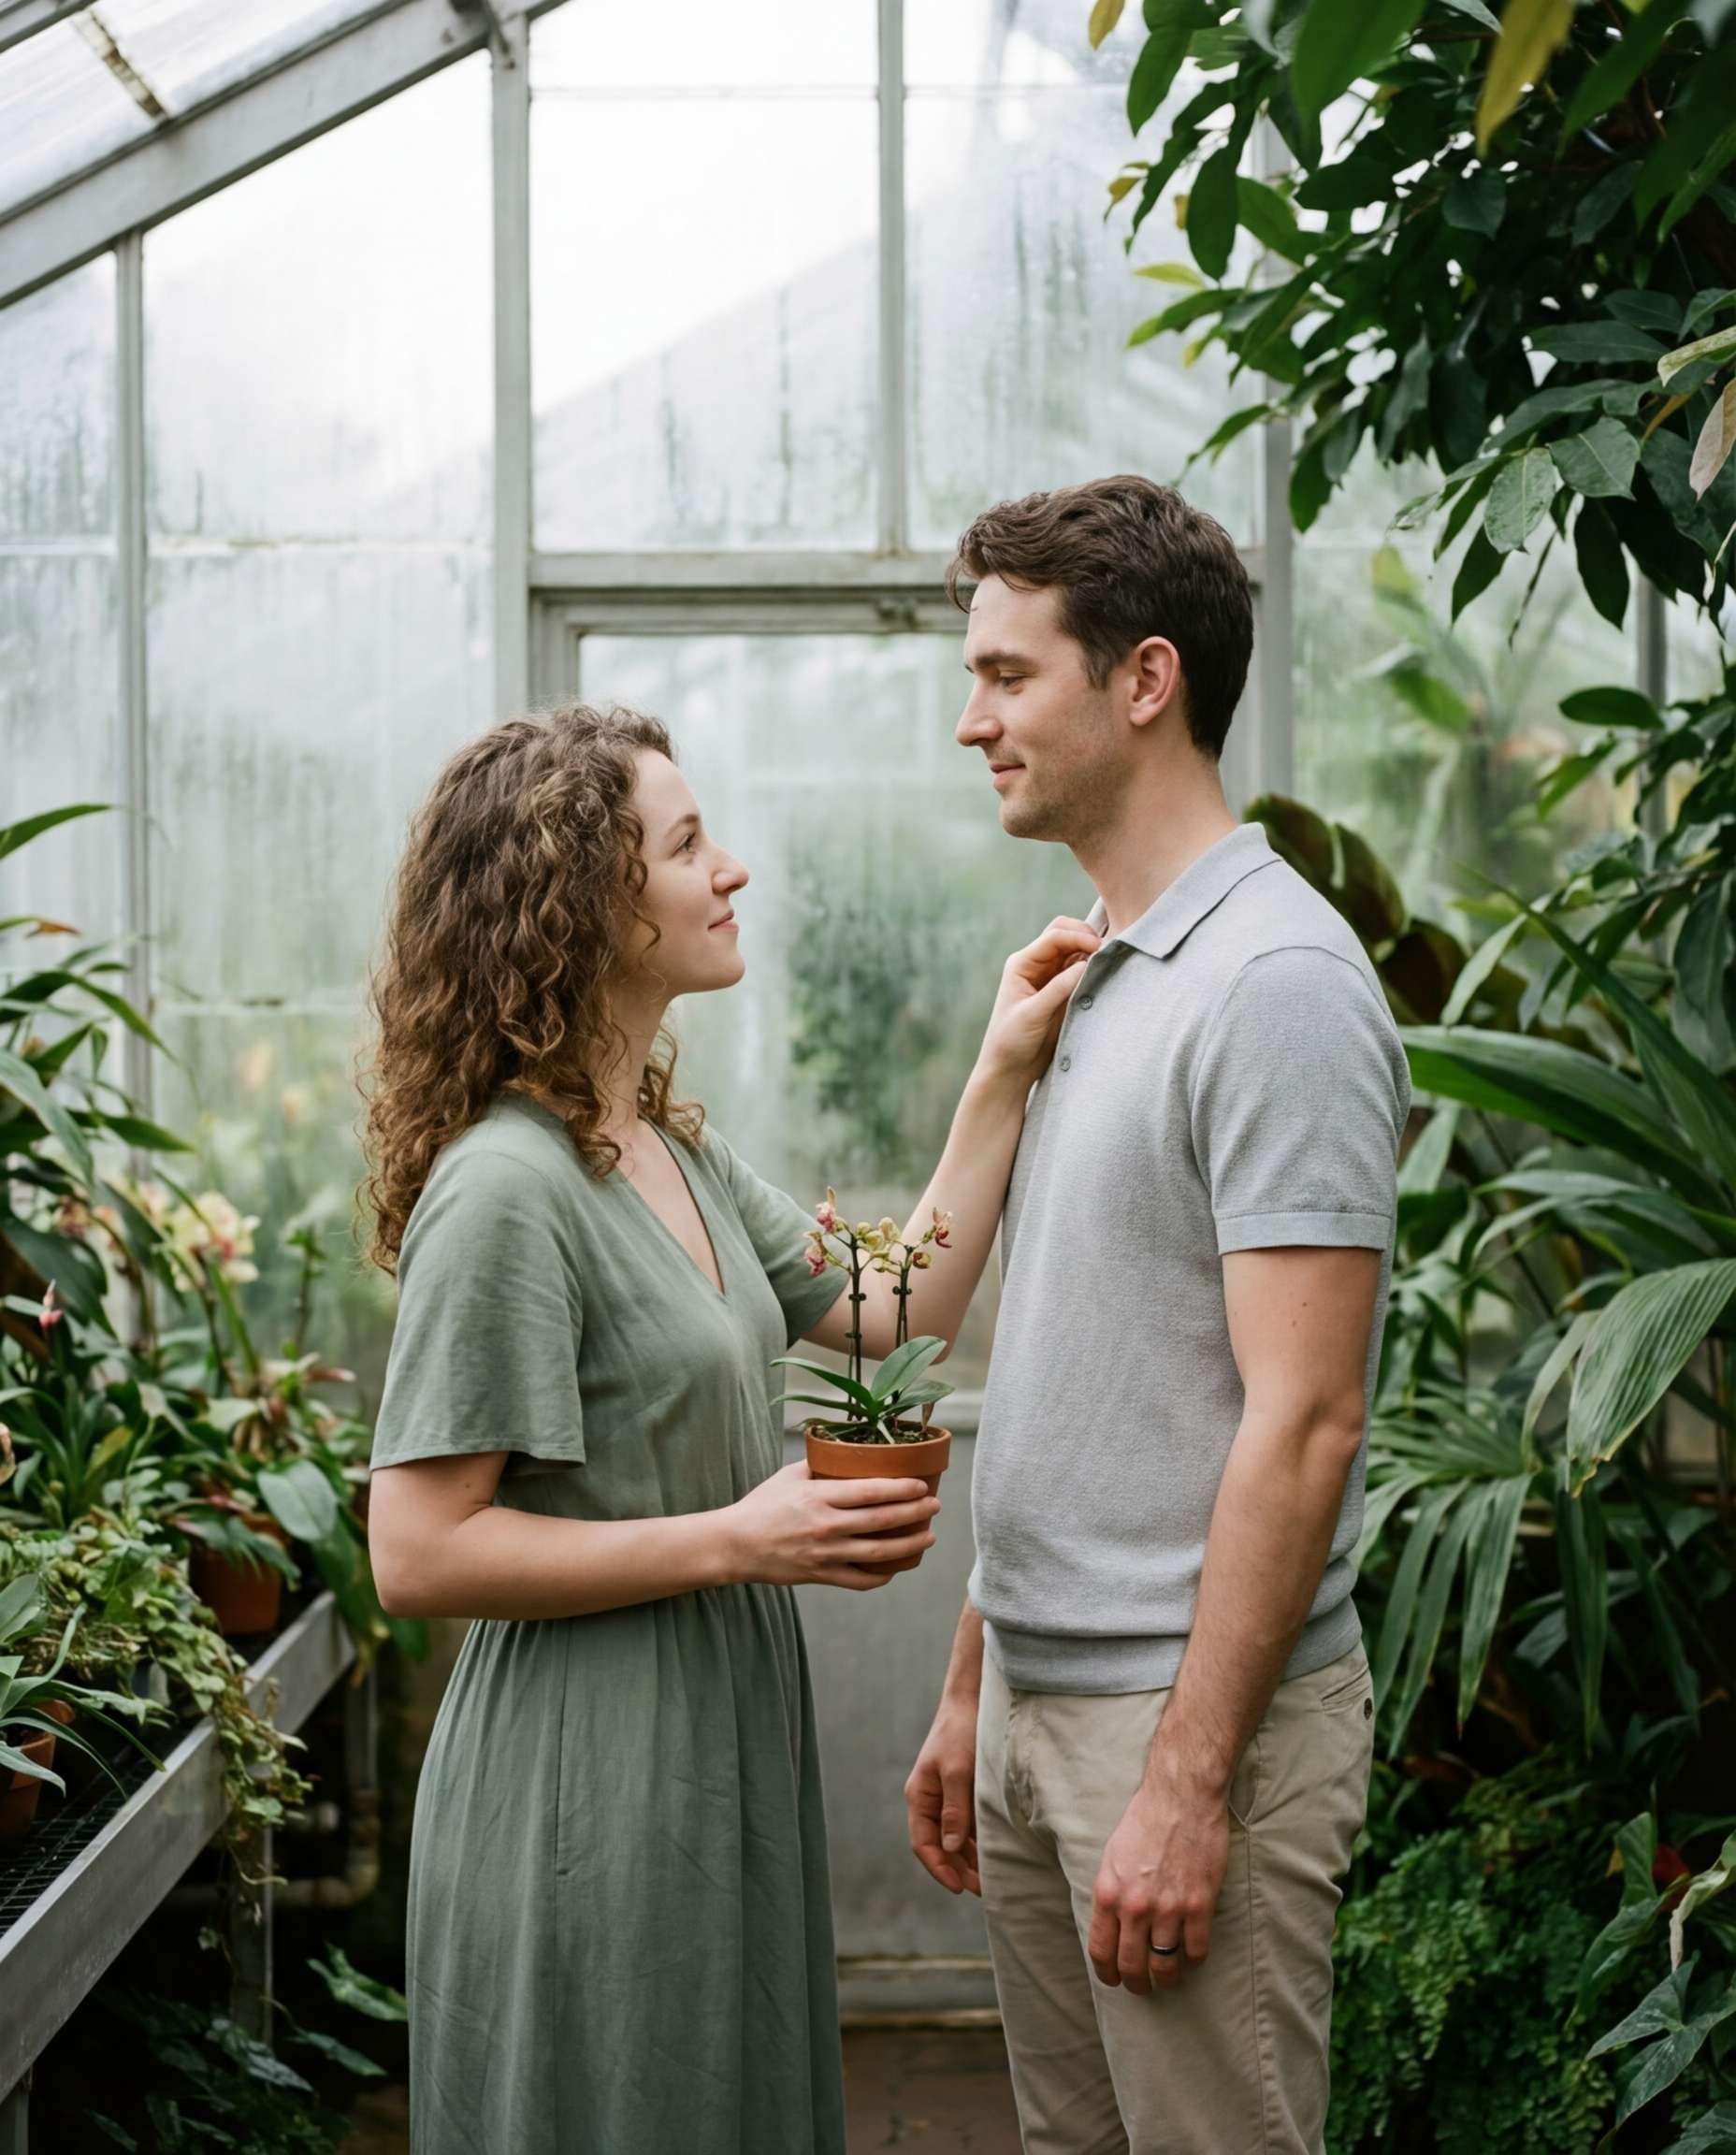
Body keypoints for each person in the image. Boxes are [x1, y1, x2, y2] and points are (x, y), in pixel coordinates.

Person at [359, 704, 1092, 2155]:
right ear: (583, 902)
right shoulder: (508, 1185)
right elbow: (417, 1550)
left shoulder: (660, 1144)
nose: (733, 870)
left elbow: (893, 1307)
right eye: (689, 844)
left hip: (708, 1734)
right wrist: (739, 1536)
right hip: (584, 1766)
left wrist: (1001, 1068)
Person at [904, 475, 1411, 2154]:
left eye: (1005, 675)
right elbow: (1075, 1364)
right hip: (1049, 1712)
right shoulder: (1104, 967)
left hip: (1184, 1735)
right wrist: (981, 1684)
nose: (970, 720)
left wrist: (1189, 1785)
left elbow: (1308, 1420)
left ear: (1143, 681)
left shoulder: (1275, 986)